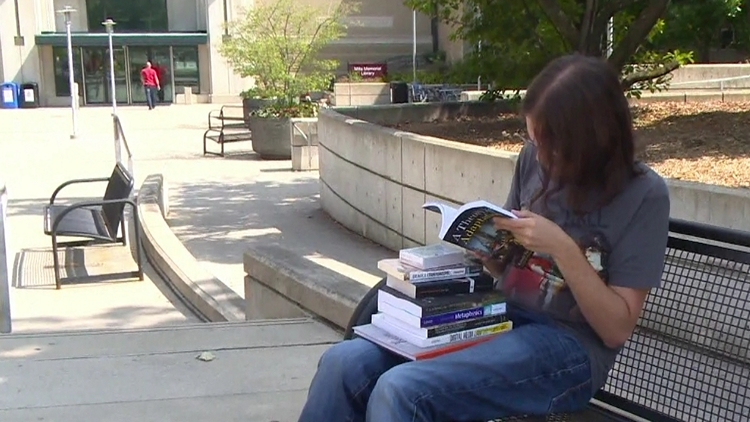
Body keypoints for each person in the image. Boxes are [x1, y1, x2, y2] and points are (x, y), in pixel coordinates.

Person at [296, 53, 671, 422]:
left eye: (549, 146)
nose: (539, 156)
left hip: (567, 350)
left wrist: (561, 247)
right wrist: (487, 247)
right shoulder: (532, 161)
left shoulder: (643, 195)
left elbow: (616, 328)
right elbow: (505, 265)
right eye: (533, 141)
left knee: (403, 389)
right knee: (343, 364)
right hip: (494, 318)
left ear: (591, 142)